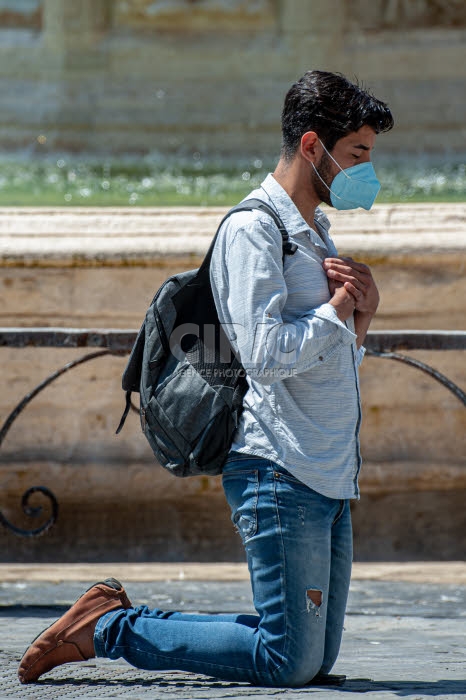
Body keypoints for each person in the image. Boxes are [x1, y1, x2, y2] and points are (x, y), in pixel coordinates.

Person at [18, 70, 394, 688]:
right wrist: (335, 312)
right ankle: (107, 628)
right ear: (310, 146)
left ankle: (112, 622)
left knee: (312, 659)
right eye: (356, 154)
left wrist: (361, 319)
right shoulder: (253, 231)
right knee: (289, 660)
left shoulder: (314, 232)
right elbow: (266, 355)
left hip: (328, 471)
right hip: (279, 468)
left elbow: (329, 366)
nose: (366, 171)